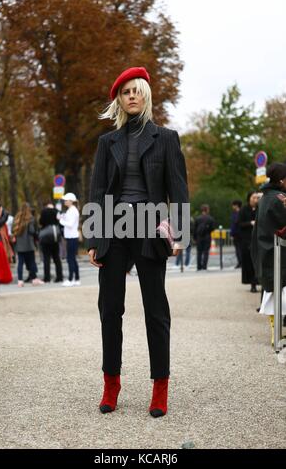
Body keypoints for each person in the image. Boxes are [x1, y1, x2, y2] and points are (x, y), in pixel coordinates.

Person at [86, 66, 188, 418]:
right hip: (114, 227)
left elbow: (179, 189)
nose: (131, 95)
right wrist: (96, 237)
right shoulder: (106, 142)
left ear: (145, 95)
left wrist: (181, 235)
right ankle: (110, 384)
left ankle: (160, 387)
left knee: (156, 311)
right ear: (119, 99)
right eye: (125, 91)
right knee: (109, 310)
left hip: (149, 225)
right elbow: (97, 191)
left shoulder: (166, 138)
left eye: (137, 90)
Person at [251, 163, 286, 345]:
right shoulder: (281, 199)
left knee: (272, 292)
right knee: (282, 292)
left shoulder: (264, 198)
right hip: (281, 251)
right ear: (281, 180)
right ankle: (279, 333)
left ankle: (276, 332)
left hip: (265, 250)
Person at [12, 203, 43, 287]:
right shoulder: (31, 219)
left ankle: (20, 281)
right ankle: (34, 280)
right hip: (29, 244)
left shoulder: (17, 218)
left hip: (19, 244)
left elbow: (13, 230)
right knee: (32, 262)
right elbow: (32, 231)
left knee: (20, 263)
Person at [238, 191, 259, 293]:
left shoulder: (260, 208)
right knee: (249, 262)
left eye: (257, 198)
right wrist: (250, 223)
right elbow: (239, 223)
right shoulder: (243, 210)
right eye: (253, 198)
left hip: (258, 239)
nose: (255, 200)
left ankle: (258, 281)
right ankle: (252, 283)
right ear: (249, 198)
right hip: (247, 240)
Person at [59, 193, 80, 287]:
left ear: (71, 201)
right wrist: (63, 217)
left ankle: (71, 279)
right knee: (72, 259)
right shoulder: (71, 210)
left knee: (70, 259)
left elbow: (70, 224)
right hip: (71, 237)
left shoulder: (73, 210)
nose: (65, 201)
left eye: (66, 200)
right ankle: (77, 279)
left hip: (72, 237)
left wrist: (61, 221)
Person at [39, 202, 63, 283]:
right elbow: (60, 222)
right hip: (55, 236)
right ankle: (59, 277)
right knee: (56, 258)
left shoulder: (43, 212)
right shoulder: (56, 211)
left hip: (46, 237)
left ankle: (47, 277)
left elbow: (41, 222)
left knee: (46, 258)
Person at [193, 205, 216, 271]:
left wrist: (195, 238)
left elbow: (195, 229)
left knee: (199, 252)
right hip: (207, 236)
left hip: (199, 237)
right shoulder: (210, 218)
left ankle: (199, 266)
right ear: (207, 210)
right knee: (206, 252)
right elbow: (213, 228)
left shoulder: (197, 218)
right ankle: (204, 266)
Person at [230, 200, 242, 268]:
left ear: (236, 205)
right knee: (238, 249)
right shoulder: (237, 213)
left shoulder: (236, 214)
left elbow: (234, 224)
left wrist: (232, 233)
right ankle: (240, 262)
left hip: (237, 234)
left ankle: (240, 262)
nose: (232, 207)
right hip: (238, 233)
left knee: (238, 249)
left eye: (233, 205)